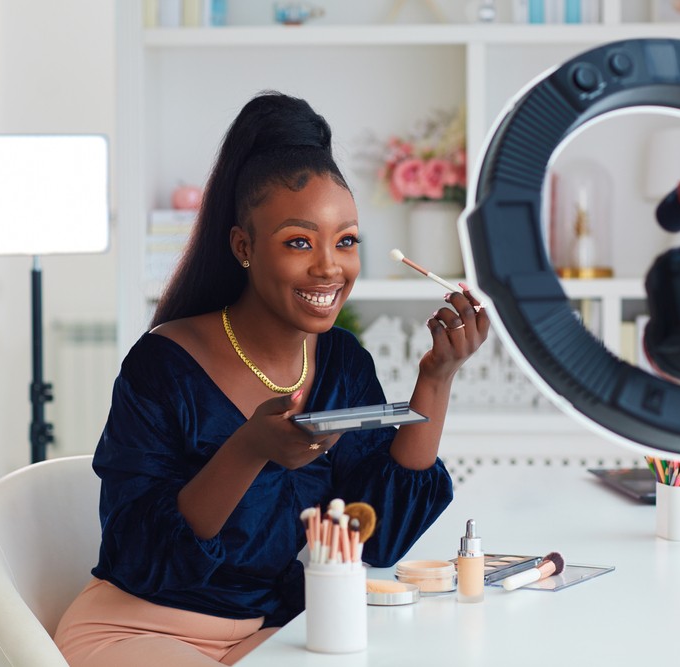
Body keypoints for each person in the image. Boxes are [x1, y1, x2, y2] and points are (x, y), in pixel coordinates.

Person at [54, 91, 489, 666]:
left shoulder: (342, 363)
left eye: (347, 240)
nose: (330, 267)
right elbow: (139, 555)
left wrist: (436, 378)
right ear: (243, 246)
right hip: (143, 631)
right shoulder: (162, 365)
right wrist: (249, 449)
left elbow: (378, 539)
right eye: (299, 242)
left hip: (277, 633)